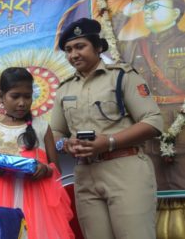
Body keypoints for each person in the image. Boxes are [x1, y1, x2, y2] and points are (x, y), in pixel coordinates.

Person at [50, 18, 163, 238]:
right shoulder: (64, 89)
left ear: (99, 47)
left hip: (125, 169)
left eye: (80, 46)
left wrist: (109, 141)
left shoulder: (122, 76)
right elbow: (54, 133)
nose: (73, 54)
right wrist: (66, 144)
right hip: (85, 174)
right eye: (68, 50)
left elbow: (153, 121)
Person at [0, 67, 74, 239]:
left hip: (39, 201)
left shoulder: (42, 127)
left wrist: (45, 169)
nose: (22, 102)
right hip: (2, 199)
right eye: (15, 96)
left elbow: (56, 169)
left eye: (27, 96)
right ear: (1, 97)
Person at [118, 0, 185, 190]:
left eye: (155, 7)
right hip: (146, 129)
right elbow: (105, 39)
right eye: (146, 8)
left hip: (180, 127)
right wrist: (128, 11)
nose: (148, 12)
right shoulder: (135, 45)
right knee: (152, 190)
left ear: (175, 13)